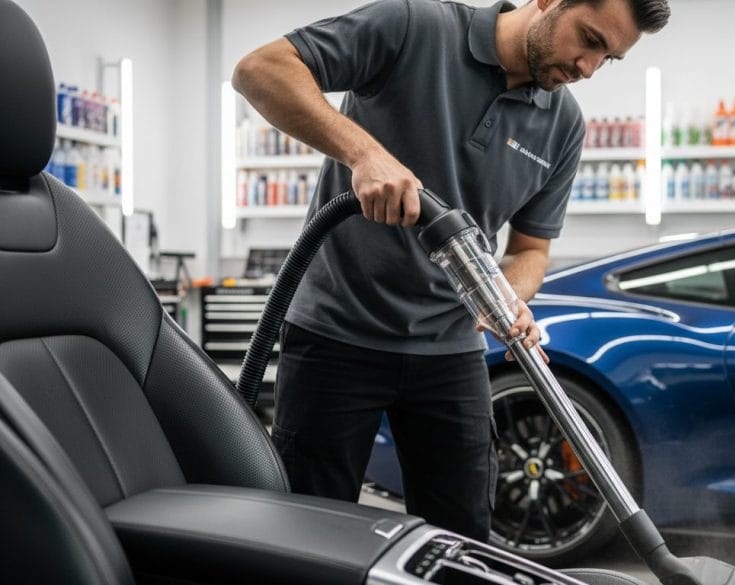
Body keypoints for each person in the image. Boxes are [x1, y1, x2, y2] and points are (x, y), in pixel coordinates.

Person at [232, 0, 670, 541]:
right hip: (335, 334)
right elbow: (259, 69)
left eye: (610, 59)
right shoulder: (414, 27)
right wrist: (364, 153)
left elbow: (530, 249)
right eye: (589, 39)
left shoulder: (563, 125)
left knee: (463, 534)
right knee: (310, 529)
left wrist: (509, 297)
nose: (588, 68)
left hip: (449, 349)